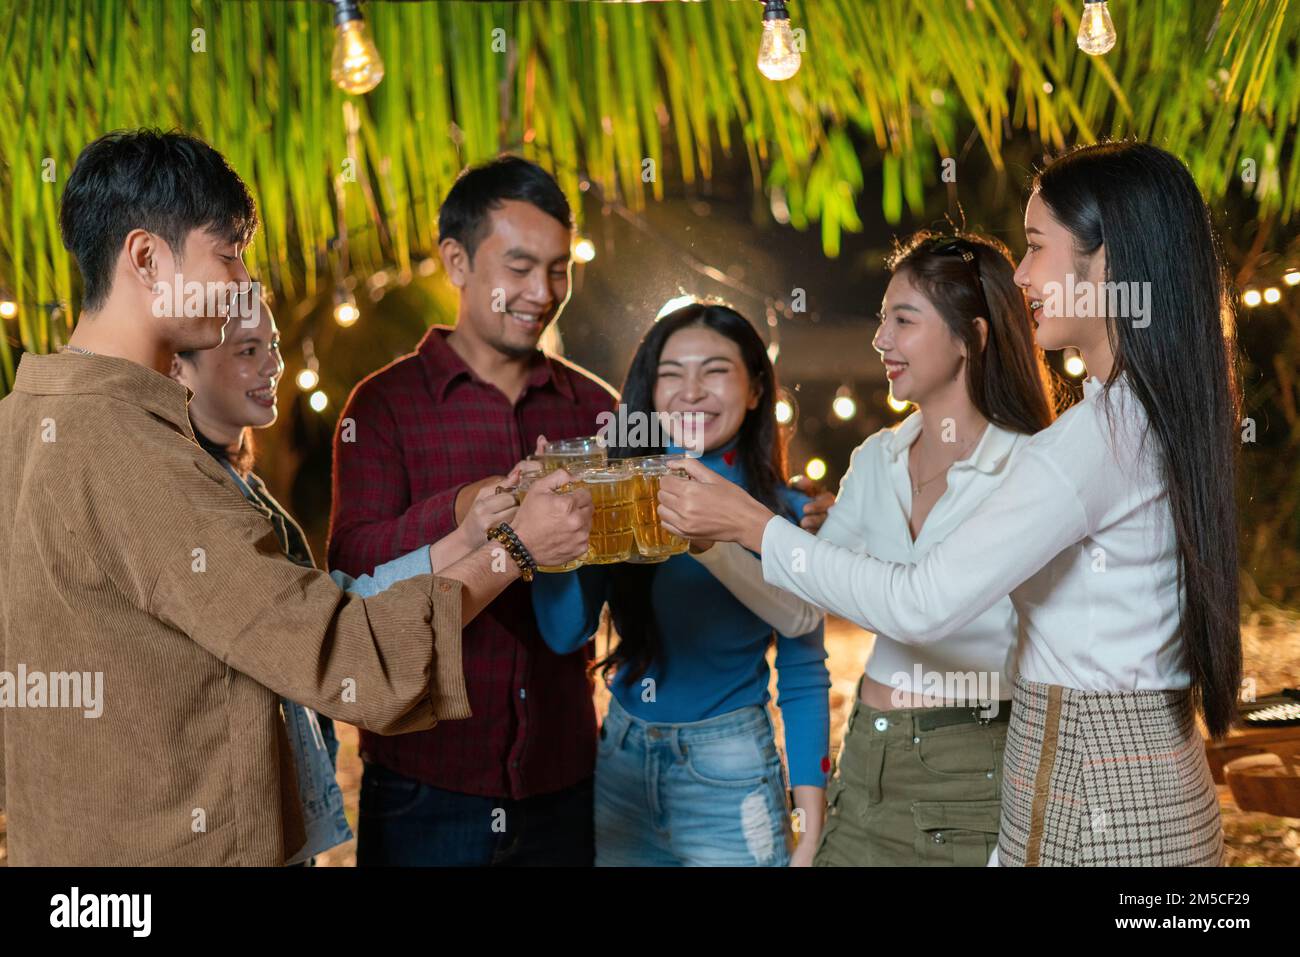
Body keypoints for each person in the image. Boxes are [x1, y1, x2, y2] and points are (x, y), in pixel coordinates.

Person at [0, 129, 591, 866]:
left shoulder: (25, 416)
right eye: (227, 252)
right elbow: (336, 649)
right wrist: (514, 551)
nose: (240, 277)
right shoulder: (131, 449)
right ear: (148, 258)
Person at [657, 140, 1240, 867]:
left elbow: (921, 602)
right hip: (1121, 783)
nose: (1021, 274)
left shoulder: (1088, 442)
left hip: (1096, 802)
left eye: (1035, 247)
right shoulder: (1145, 416)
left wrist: (750, 522)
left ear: (1107, 262)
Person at [171, 291, 536, 864]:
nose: (273, 363)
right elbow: (327, 639)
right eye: (248, 349)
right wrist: (513, 552)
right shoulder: (191, 499)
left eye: (271, 345)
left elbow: (333, 608)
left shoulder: (249, 491)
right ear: (177, 365)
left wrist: (468, 536)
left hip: (274, 804)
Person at [532, 302, 831, 866]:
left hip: (731, 766)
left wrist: (810, 820)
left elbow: (803, 668)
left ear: (756, 390)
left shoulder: (786, 517)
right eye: (671, 373)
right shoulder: (616, 493)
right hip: (621, 757)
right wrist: (555, 531)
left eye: (715, 370)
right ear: (649, 392)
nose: (690, 392)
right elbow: (563, 633)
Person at [807, 231, 1057, 866]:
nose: (880, 339)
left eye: (903, 320)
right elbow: (799, 604)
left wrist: (758, 528)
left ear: (972, 336)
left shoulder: (1031, 469)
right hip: (866, 751)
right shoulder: (876, 459)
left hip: (971, 766)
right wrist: (715, 536)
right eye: (881, 319)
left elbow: (919, 608)